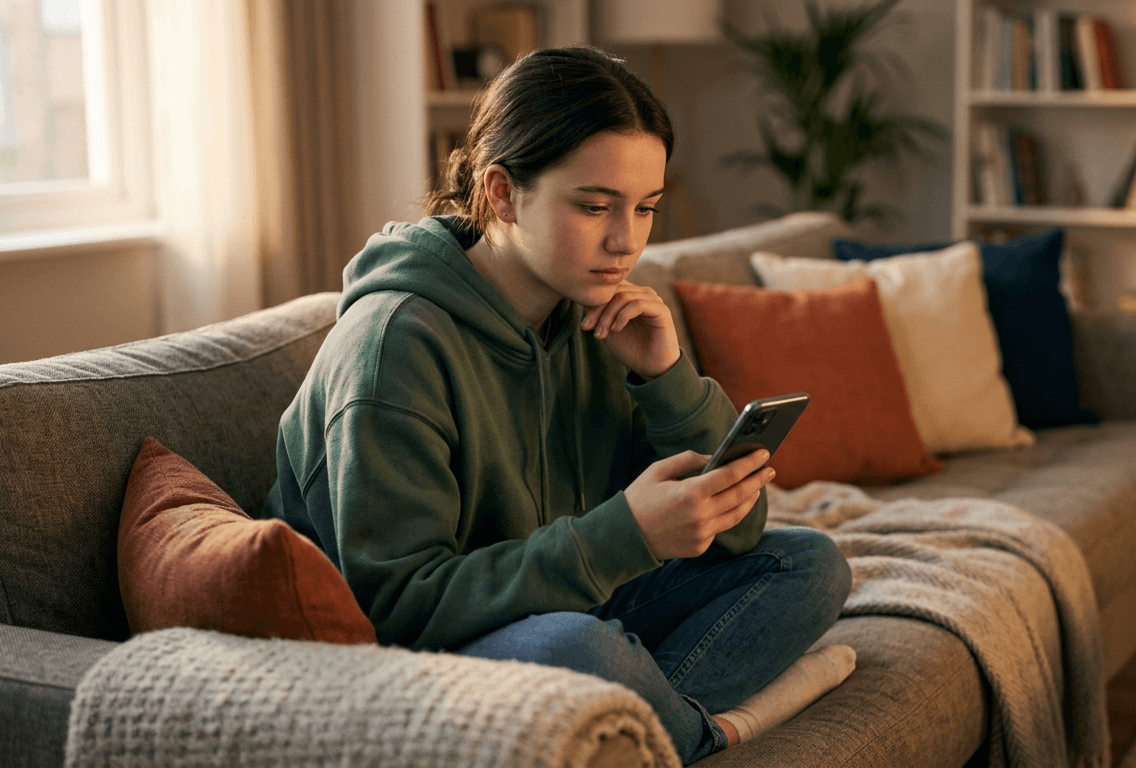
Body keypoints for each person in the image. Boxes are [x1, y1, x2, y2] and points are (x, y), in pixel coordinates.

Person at [262, 45, 854, 764]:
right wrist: (626, 537)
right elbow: (397, 608)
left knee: (809, 564)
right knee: (578, 647)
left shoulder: (597, 316)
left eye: (645, 209)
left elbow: (739, 533)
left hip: (574, 605)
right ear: (503, 193)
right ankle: (696, 733)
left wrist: (667, 378)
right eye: (594, 206)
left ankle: (631, 729)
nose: (625, 241)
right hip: (441, 645)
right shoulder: (394, 346)